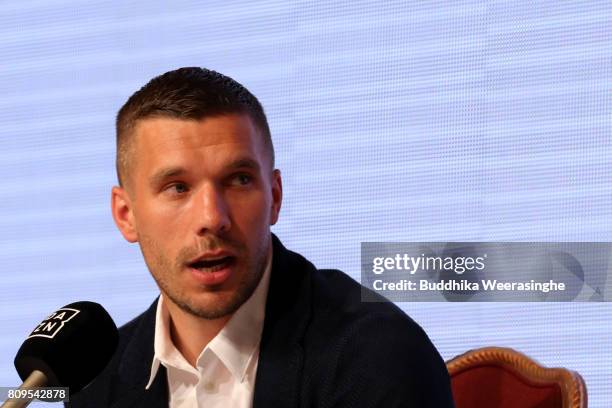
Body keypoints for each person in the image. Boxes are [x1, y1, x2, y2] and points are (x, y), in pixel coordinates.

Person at [67, 67, 455, 407]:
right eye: (177, 187)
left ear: (275, 198)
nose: (212, 218)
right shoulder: (97, 383)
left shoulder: (374, 355)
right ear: (126, 215)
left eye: (239, 180)